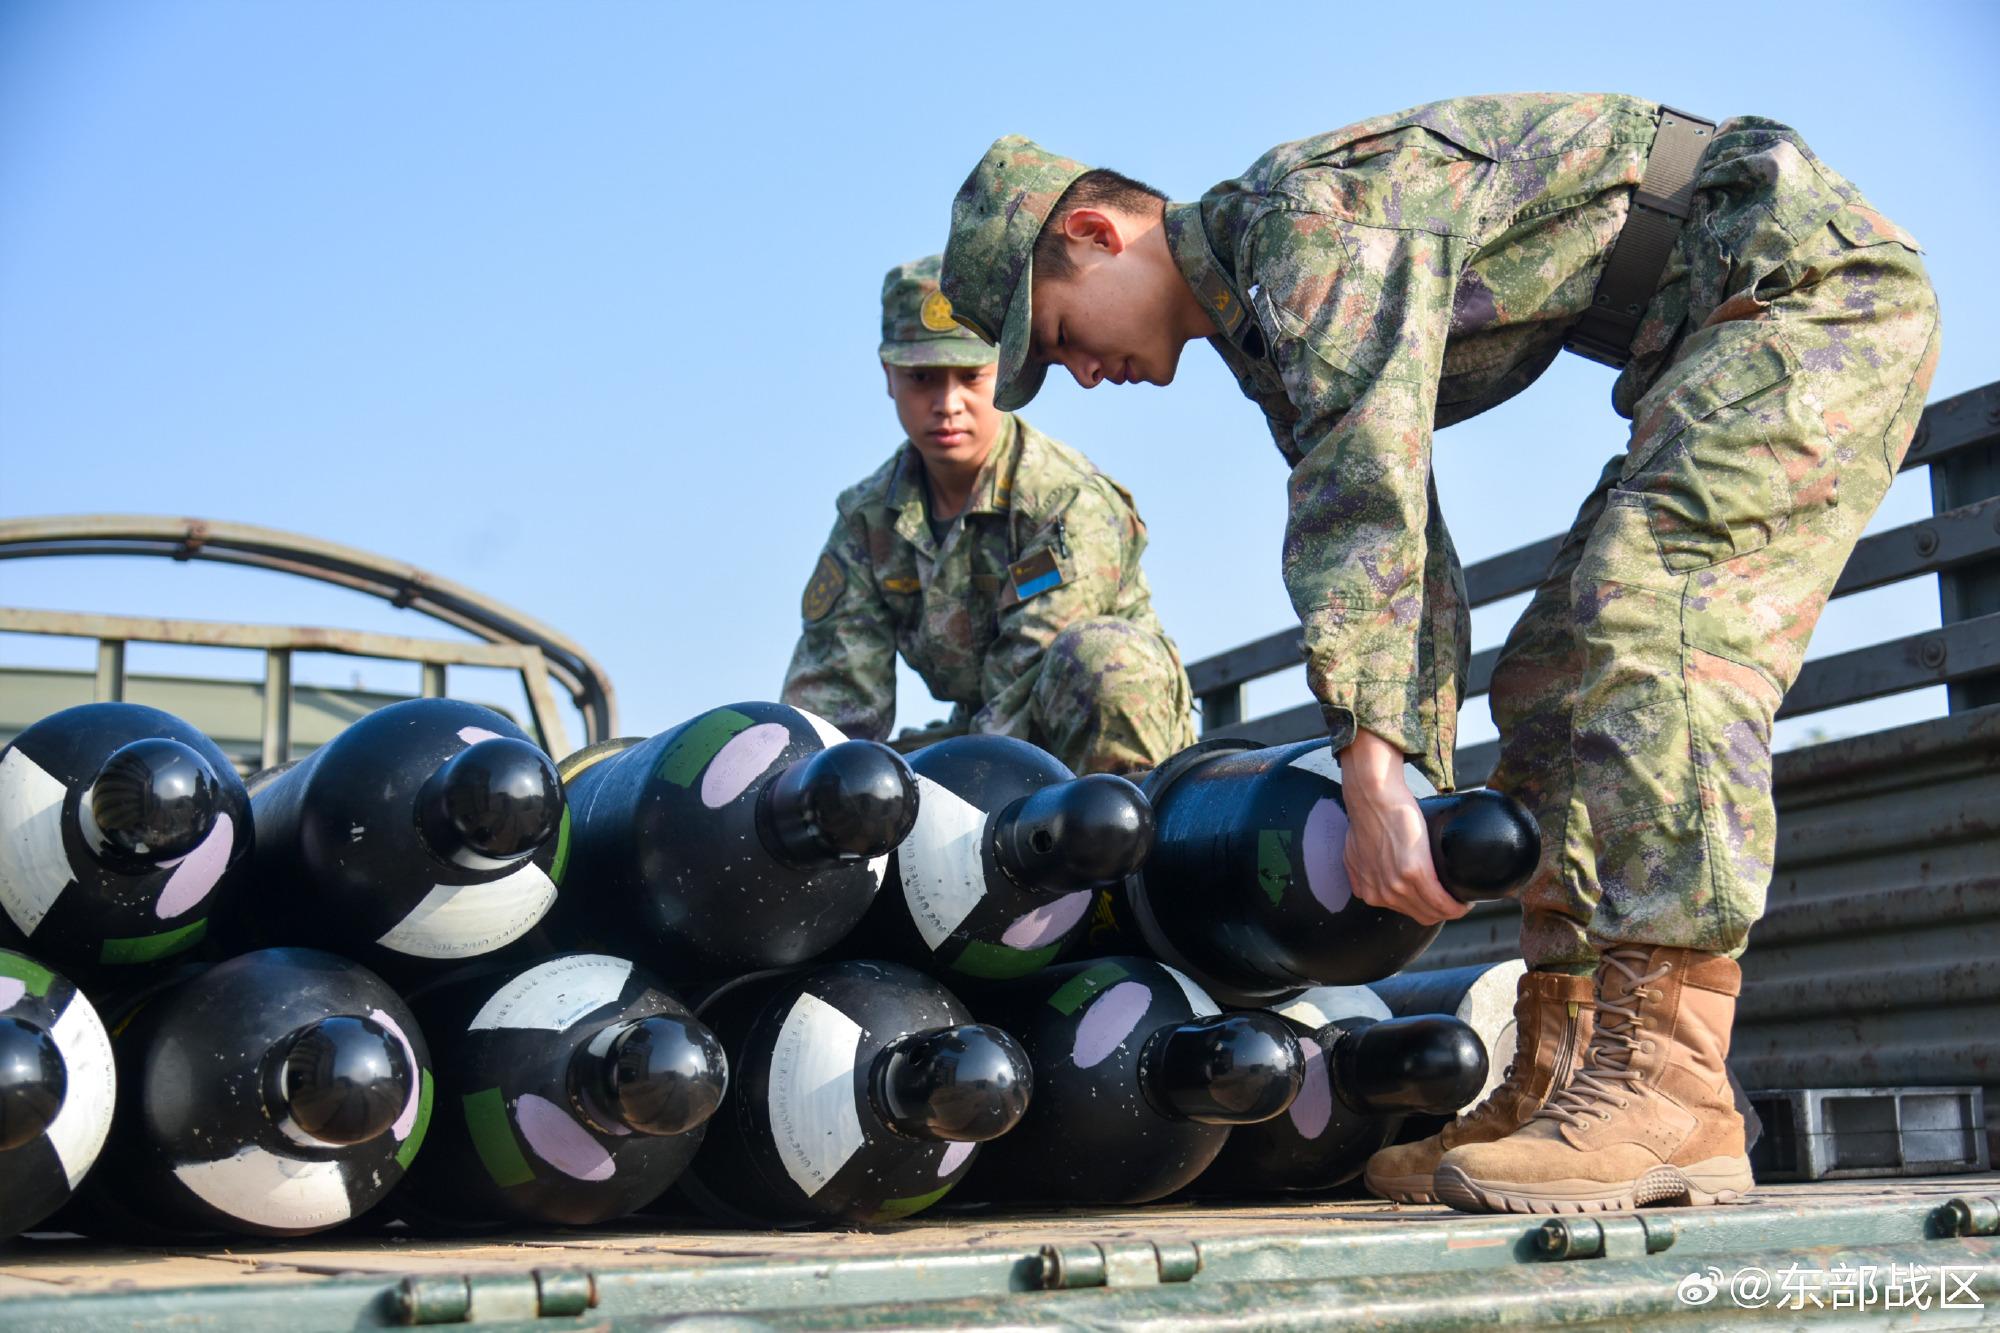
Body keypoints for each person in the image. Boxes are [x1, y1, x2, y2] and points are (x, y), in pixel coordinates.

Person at [940, 95, 1937, 1212]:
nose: (1077, 372)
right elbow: (1396, 546)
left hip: (1814, 302)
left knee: (1649, 620)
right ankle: (1562, 1067)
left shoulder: (1298, 228)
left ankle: (1671, 1085)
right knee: (1550, 682)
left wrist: (1374, 778)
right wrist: (1415, 772)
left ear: (1091, 234)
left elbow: (1367, 508)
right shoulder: (1263, 313)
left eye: (1059, 332)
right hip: (1706, 341)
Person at [781, 255, 1197, 776]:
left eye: (970, 376)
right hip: (986, 737)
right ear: (889, 377)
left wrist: (960, 798)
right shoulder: (869, 522)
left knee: (1100, 657)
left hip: (1102, 751)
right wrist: (821, 794)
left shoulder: (1065, 499)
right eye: (922, 378)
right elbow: (836, 695)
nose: (947, 402)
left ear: (1005, 371)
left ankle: (1134, 850)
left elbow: (1026, 668)